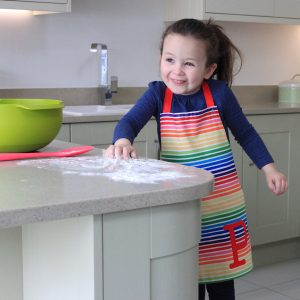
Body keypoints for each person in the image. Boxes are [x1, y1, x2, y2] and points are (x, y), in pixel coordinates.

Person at [105, 18, 288, 300]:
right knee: (186, 280)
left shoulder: (220, 94)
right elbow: (129, 122)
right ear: (161, 58)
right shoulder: (157, 94)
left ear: (209, 69)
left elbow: (246, 134)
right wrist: (122, 141)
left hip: (222, 205)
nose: (176, 71)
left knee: (221, 281)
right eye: (169, 59)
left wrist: (269, 168)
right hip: (182, 205)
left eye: (189, 64)